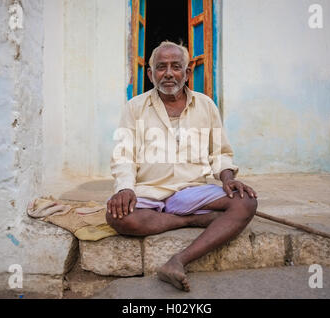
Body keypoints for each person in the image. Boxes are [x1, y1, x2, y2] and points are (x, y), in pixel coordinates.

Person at [107, 41, 258, 292]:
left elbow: (220, 151)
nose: (168, 73)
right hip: (150, 190)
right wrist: (124, 188)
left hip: (191, 190)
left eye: (176, 67)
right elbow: (123, 155)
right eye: (161, 67)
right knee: (116, 216)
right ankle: (190, 221)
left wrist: (227, 178)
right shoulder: (135, 107)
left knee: (246, 202)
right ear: (150, 73)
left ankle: (178, 260)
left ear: (187, 73)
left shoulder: (206, 105)